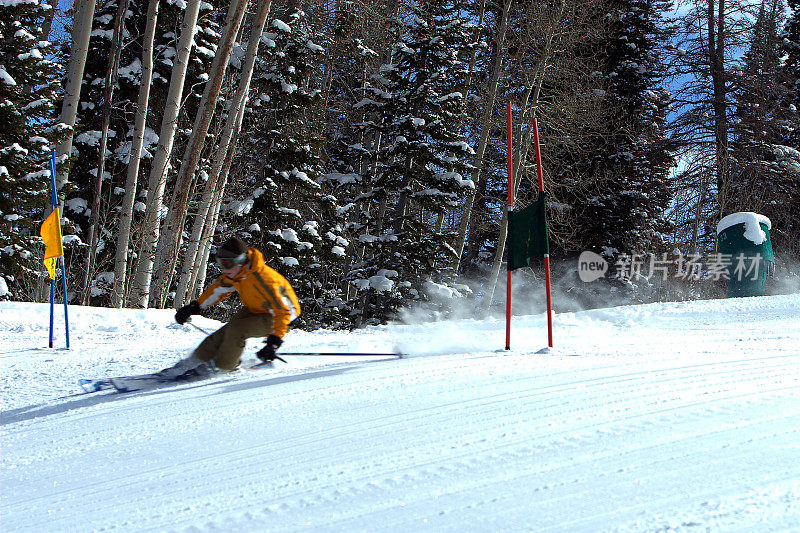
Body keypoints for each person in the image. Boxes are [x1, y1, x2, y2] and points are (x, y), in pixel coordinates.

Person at [159, 236, 301, 380]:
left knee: (237, 330)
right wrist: (194, 307)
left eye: (226, 264)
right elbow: (217, 290)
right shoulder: (238, 274)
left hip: (283, 318)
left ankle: (223, 366)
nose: (223, 269)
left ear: (240, 261)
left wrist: (273, 343)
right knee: (226, 331)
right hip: (257, 310)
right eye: (220, 263)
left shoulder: (265, 280)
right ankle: (194, 361)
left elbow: (285, 312)